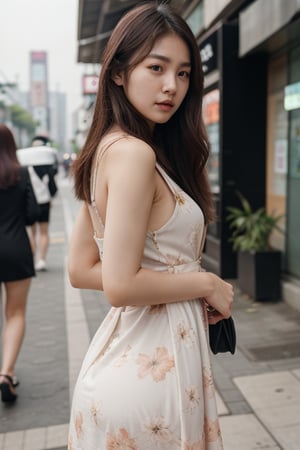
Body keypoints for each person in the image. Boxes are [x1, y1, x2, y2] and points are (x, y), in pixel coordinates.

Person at [68, 2, 234, 448]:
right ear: (119, 72)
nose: (171, 86)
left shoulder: (110, 149)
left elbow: (82, 269)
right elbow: (119, 285)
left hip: (128, 362)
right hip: (150, 382)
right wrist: (205, 283)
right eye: (156, 67)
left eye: (183, 73)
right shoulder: (134, 155)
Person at [0, 124, 39, 402]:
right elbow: (32, 214)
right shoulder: (21, 174)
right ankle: (6, 373)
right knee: (15, 313)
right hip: (15, 247)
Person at [28, 135, 58, 271]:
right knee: (44, 232)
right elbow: (53, 188)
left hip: (30, 203)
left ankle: (32, 260)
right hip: (44, 202)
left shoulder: (26, 165)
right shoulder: (47, 166)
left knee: (32, 233)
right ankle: (42, 260)